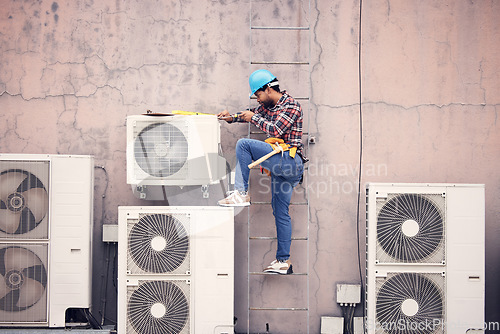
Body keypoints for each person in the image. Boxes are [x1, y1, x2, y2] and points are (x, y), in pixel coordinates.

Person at [217, 69, 305, 275]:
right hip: (281, 168)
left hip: (291, 162)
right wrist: (231, 118)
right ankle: (283, 261)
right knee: (280, 212)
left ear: (267, 89)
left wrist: (253, 118)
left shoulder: (291, 106)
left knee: (244, 145)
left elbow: (275, 130)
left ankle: (241, 192)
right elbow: (250, 114)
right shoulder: (269, 106)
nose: (257, 100)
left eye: (258, 95)